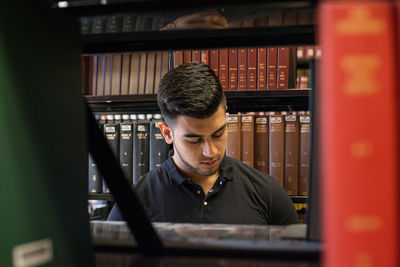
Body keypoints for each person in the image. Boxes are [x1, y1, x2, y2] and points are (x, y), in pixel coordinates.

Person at [108, 62, 298, 225]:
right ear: (167, 133)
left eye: (218, 134)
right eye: (194, 139)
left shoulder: (267, 192)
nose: (211, 151)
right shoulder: (134, 205)